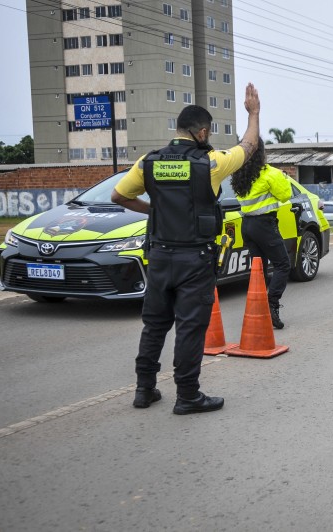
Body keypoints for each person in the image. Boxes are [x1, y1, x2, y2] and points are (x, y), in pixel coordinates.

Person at [111, 83, 261, 415]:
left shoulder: (147, 162)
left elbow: (118, 197)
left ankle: (144, 389)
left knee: (154, 325)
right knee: (191, 327)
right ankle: (188, 395)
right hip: (195, 259)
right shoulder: (212, 163)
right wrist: (253, 113)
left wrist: (154, 211)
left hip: (160, 255)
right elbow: (248, 146)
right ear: (203, 131)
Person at [230, 140, 292, 330]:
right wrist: (285, 178)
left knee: (258, 269)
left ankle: (258, 311)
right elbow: (285, 195)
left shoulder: (240, 176)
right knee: (283, 264)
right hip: (264, 224)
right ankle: (272, 304)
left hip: (246, 225)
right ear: (261, 153)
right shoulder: (269, 173)